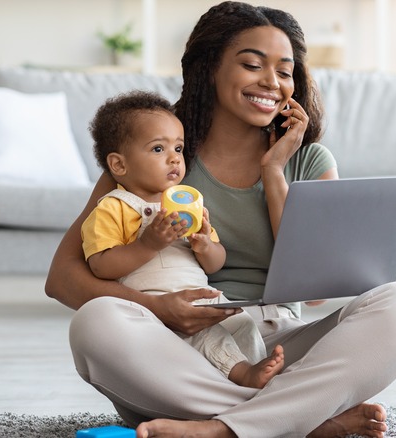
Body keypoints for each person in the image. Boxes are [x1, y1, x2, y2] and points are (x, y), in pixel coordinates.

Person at [45, 2, 396, 437]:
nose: (272, 82)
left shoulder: (308, 161)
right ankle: (299, 421)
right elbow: (62, 279)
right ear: (208, 68)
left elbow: (320, 292)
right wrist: (157, 309)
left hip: (276, 350)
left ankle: (223, 430)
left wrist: (274, 172)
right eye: (253, 65)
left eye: (285, 72)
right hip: (177, 355)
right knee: (95, 324)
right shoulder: (152, 158)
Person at [82, 90, 284, 390]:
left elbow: (216, 263)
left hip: (202, 294)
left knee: (242, 325)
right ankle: (242, 375)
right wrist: (147, 245)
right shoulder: (113, 207)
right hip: (157, 305)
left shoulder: (188, 203)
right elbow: (101, 265)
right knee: (204, 336)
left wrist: (205, 246)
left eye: (178, 147)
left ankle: (255, 380)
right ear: (119, 165)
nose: (174, 158)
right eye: (158, 149)